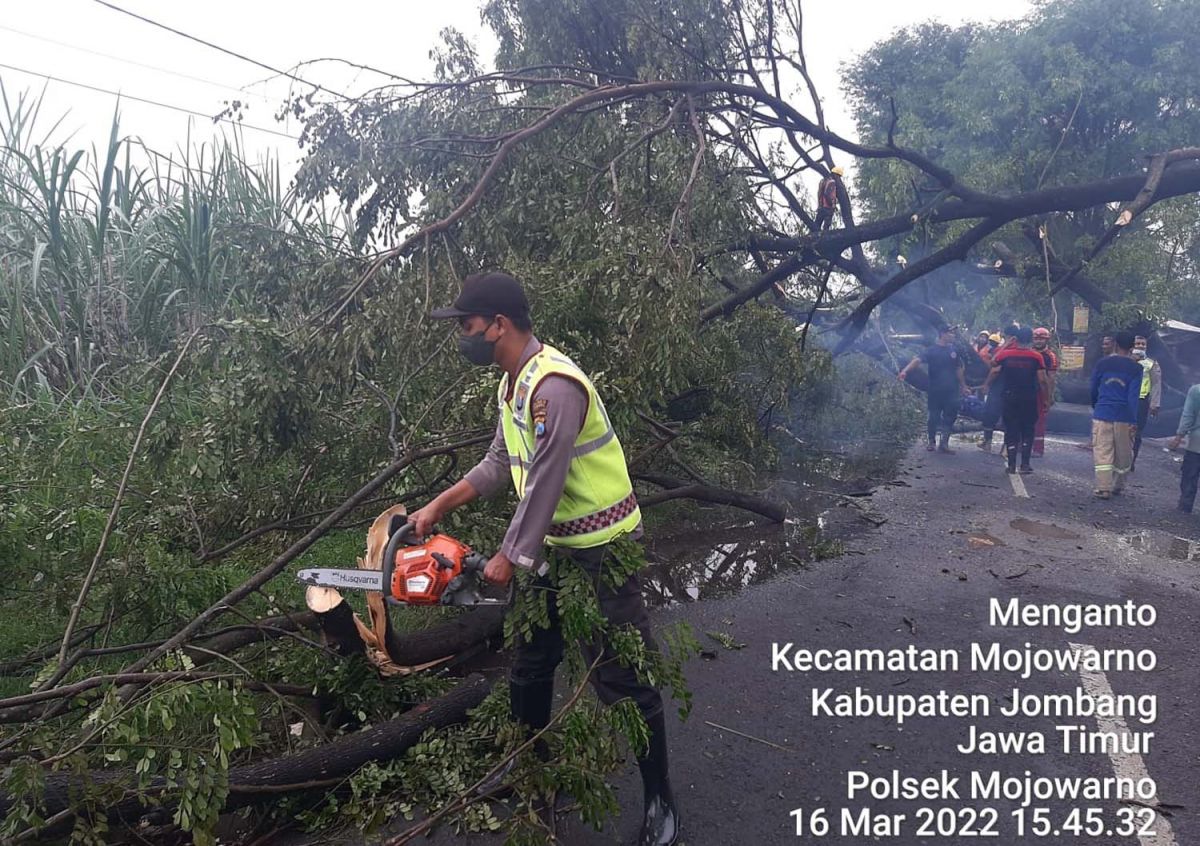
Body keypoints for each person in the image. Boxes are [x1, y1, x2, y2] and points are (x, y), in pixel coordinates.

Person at [414, 271, 679, 845]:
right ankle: (533, 769)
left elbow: (546, 481)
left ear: (498, 325)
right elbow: (497, 462)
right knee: (531, 661)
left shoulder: (555, 387)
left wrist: (509, 556)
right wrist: (438, 506)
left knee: (623, 676)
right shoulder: (512, 384)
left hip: (601, 552)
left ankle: (661, 798)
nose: (462, 336)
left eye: (466, 325)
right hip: (554, 550)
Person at [984, 326, 1047, 474]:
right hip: (1029, 398)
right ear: (1031, 340)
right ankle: (1025, 464)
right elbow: (1042, 380)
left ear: (1016, 339)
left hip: (1009, 397)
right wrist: (1046, 398)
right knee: (1028, 430)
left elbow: (993, 364)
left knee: (1011, 429)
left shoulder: (1005, 355)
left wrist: (1006, 344)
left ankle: (1011, 465)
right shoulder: (1036, 357)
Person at [898, 326, 970, 453]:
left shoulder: (954, 351)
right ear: (943, 334)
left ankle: (944, 443)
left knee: (950, 416)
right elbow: (917, 360)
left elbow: (958, 369)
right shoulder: (931, 350)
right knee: (933, 416)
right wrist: (905, 371)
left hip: (952, 390)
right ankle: (931, 441)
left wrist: (963, 386)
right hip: (935, 390)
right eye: (950, 333)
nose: (953, 336)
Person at [1089, 331, 1143, 499]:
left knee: (1103, 451)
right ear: (1132, 347)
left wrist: (1096, 405)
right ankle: (1117, 486)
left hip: (1103, 413)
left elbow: (1093, 388)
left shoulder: (1103, 363)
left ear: (1115, 344)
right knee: (1123, 453)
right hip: (1124, 417)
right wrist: (1133, 419)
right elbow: (1133, 396)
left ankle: (1103, 488)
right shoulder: (1136, 368)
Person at [979, 326, 1019, 453]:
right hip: (1015, 389)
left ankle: (987, 443)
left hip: (999, 388)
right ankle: (1006, 447)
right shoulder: (1024, 351)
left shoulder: (1003, 351)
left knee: (990, 414)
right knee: (1010, 418)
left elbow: (995, 369)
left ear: (1007, 336)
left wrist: (986, 384)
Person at [1131, 335, 1162, 469]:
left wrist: (1154, 404)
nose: (1140, 346)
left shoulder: (1151, 364)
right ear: (1133, 345)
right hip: (1125, 400)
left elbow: (1156, 385)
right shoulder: (1126, 360)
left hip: (1141, 401)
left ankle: (1132, 460)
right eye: (1138, 343)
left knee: (1137, 432)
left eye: (1143, 344)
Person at [1169, 383, 1200, 513]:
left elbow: (1188, 415)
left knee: (1190, 475)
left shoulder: (1196, 391)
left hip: (1196, 443)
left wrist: (1178, 437)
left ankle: (1185, 505)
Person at [1031, 328, 1059, 458]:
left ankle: (1038, 448)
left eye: (1041, 339)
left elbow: (1051, 378)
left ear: (1047, 340)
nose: (1038, 341)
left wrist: (1049, 396)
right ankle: (1021, 444)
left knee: (1039, 420)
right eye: (1036, 338)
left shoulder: (1050, 356)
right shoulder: (1029, 352)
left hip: (1041, 392)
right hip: (1026, 390)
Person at [812, 166, 843, 231]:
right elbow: (826, 193)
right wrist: (832, 204)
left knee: (816, 226)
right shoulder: (832, 182)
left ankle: (815, 235)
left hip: (821, 207)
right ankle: (824, 235)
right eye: (839, 176)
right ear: (835, 175)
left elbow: (820, 193)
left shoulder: (823, 181)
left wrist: (820, 205)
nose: (839, 178)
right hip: (828, 207)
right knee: (826, 228)